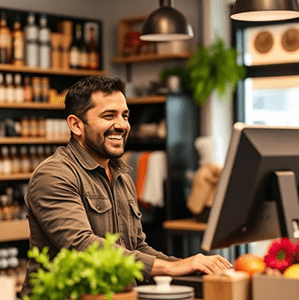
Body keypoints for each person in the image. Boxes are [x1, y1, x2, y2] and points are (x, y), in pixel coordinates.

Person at [21, 76, 231, 296]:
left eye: (125, 116)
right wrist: (170, 267)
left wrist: (191, 265)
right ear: (76, 125)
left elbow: (137, 248)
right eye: (109, 116)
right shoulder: (54, 174)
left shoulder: (121, 175)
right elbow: (82, 245)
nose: (121, 125)